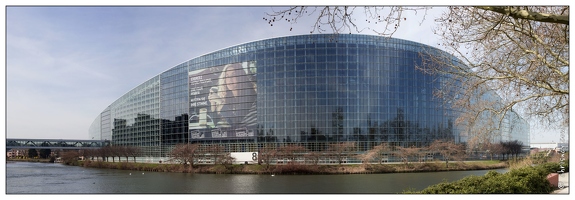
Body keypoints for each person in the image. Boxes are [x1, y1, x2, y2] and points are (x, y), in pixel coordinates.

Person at [208, 63, 257, 135]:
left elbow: (235, 122)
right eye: (227, 76)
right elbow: (215, 123)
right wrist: (213, 103)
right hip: (240, 135)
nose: (229, 79)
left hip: (254, 135)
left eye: (233, 75)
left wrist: (221, 102)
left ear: (240, 77)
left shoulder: (248, 92)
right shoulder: (230, 97)